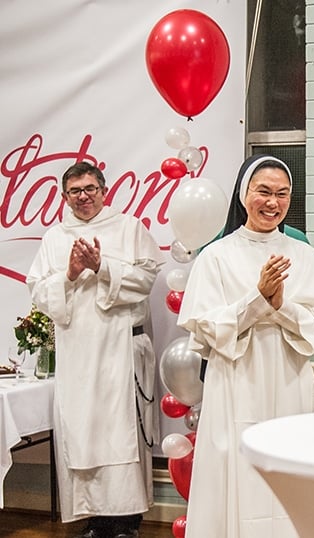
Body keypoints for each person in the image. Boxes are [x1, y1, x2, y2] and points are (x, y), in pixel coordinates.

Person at [177, 155, 314, 538]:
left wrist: (279, 305)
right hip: (234, 381)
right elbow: (205, 328)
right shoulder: (215, 257)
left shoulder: (306, 257)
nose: (272, 202)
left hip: (288, 379)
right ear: (243, 193)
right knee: (234, 468)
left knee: (286, 471)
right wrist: (258, 301)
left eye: (282, 194)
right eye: (263, 191)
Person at [27, 162, 164, 538]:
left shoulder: (129, 227)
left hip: (120, 347)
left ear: (104, 190)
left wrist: (102, 266)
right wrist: (70, 273)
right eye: (75, 191)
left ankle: (126, 521)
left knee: (120, 433)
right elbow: (38, 292)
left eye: (90, 188)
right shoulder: (55, 237)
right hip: (77, 353)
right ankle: (94, 519)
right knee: (83, 432)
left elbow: (147, 278)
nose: (83, 196)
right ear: (64, 196)